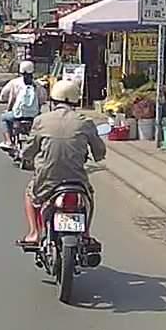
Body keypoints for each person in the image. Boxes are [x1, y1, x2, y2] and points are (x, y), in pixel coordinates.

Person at [19, 79, 106, 245]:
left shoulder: (41, 120)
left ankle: (34, 233)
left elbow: (28, 150)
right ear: (76, 101)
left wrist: (25, 156)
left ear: (53, 100)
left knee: (30, 194)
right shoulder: (85, 122)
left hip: (46, 179)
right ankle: (86, 233)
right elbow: (99, 152)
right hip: (76, 180)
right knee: (88, 197)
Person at [0, 60, 50, 150]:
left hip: (18, 115)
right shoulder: (38, 85)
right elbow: (43, 99)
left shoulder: (15, 83)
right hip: (34, 116)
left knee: (3, 118)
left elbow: (9, 99)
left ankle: (8, 142)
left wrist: (8, 108)